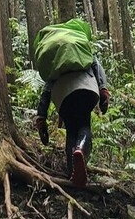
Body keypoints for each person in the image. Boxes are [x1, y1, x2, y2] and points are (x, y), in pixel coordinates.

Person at [35, 58, 109, 187]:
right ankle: (80, 149)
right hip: (86, 87)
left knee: (71, 130)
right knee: (84, 124)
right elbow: (96, 65)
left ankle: (72, 173)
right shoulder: (80, 48)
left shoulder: (55, 59)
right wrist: (103, 90)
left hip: (62, 95)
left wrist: (41, 117)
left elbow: (46, 90)